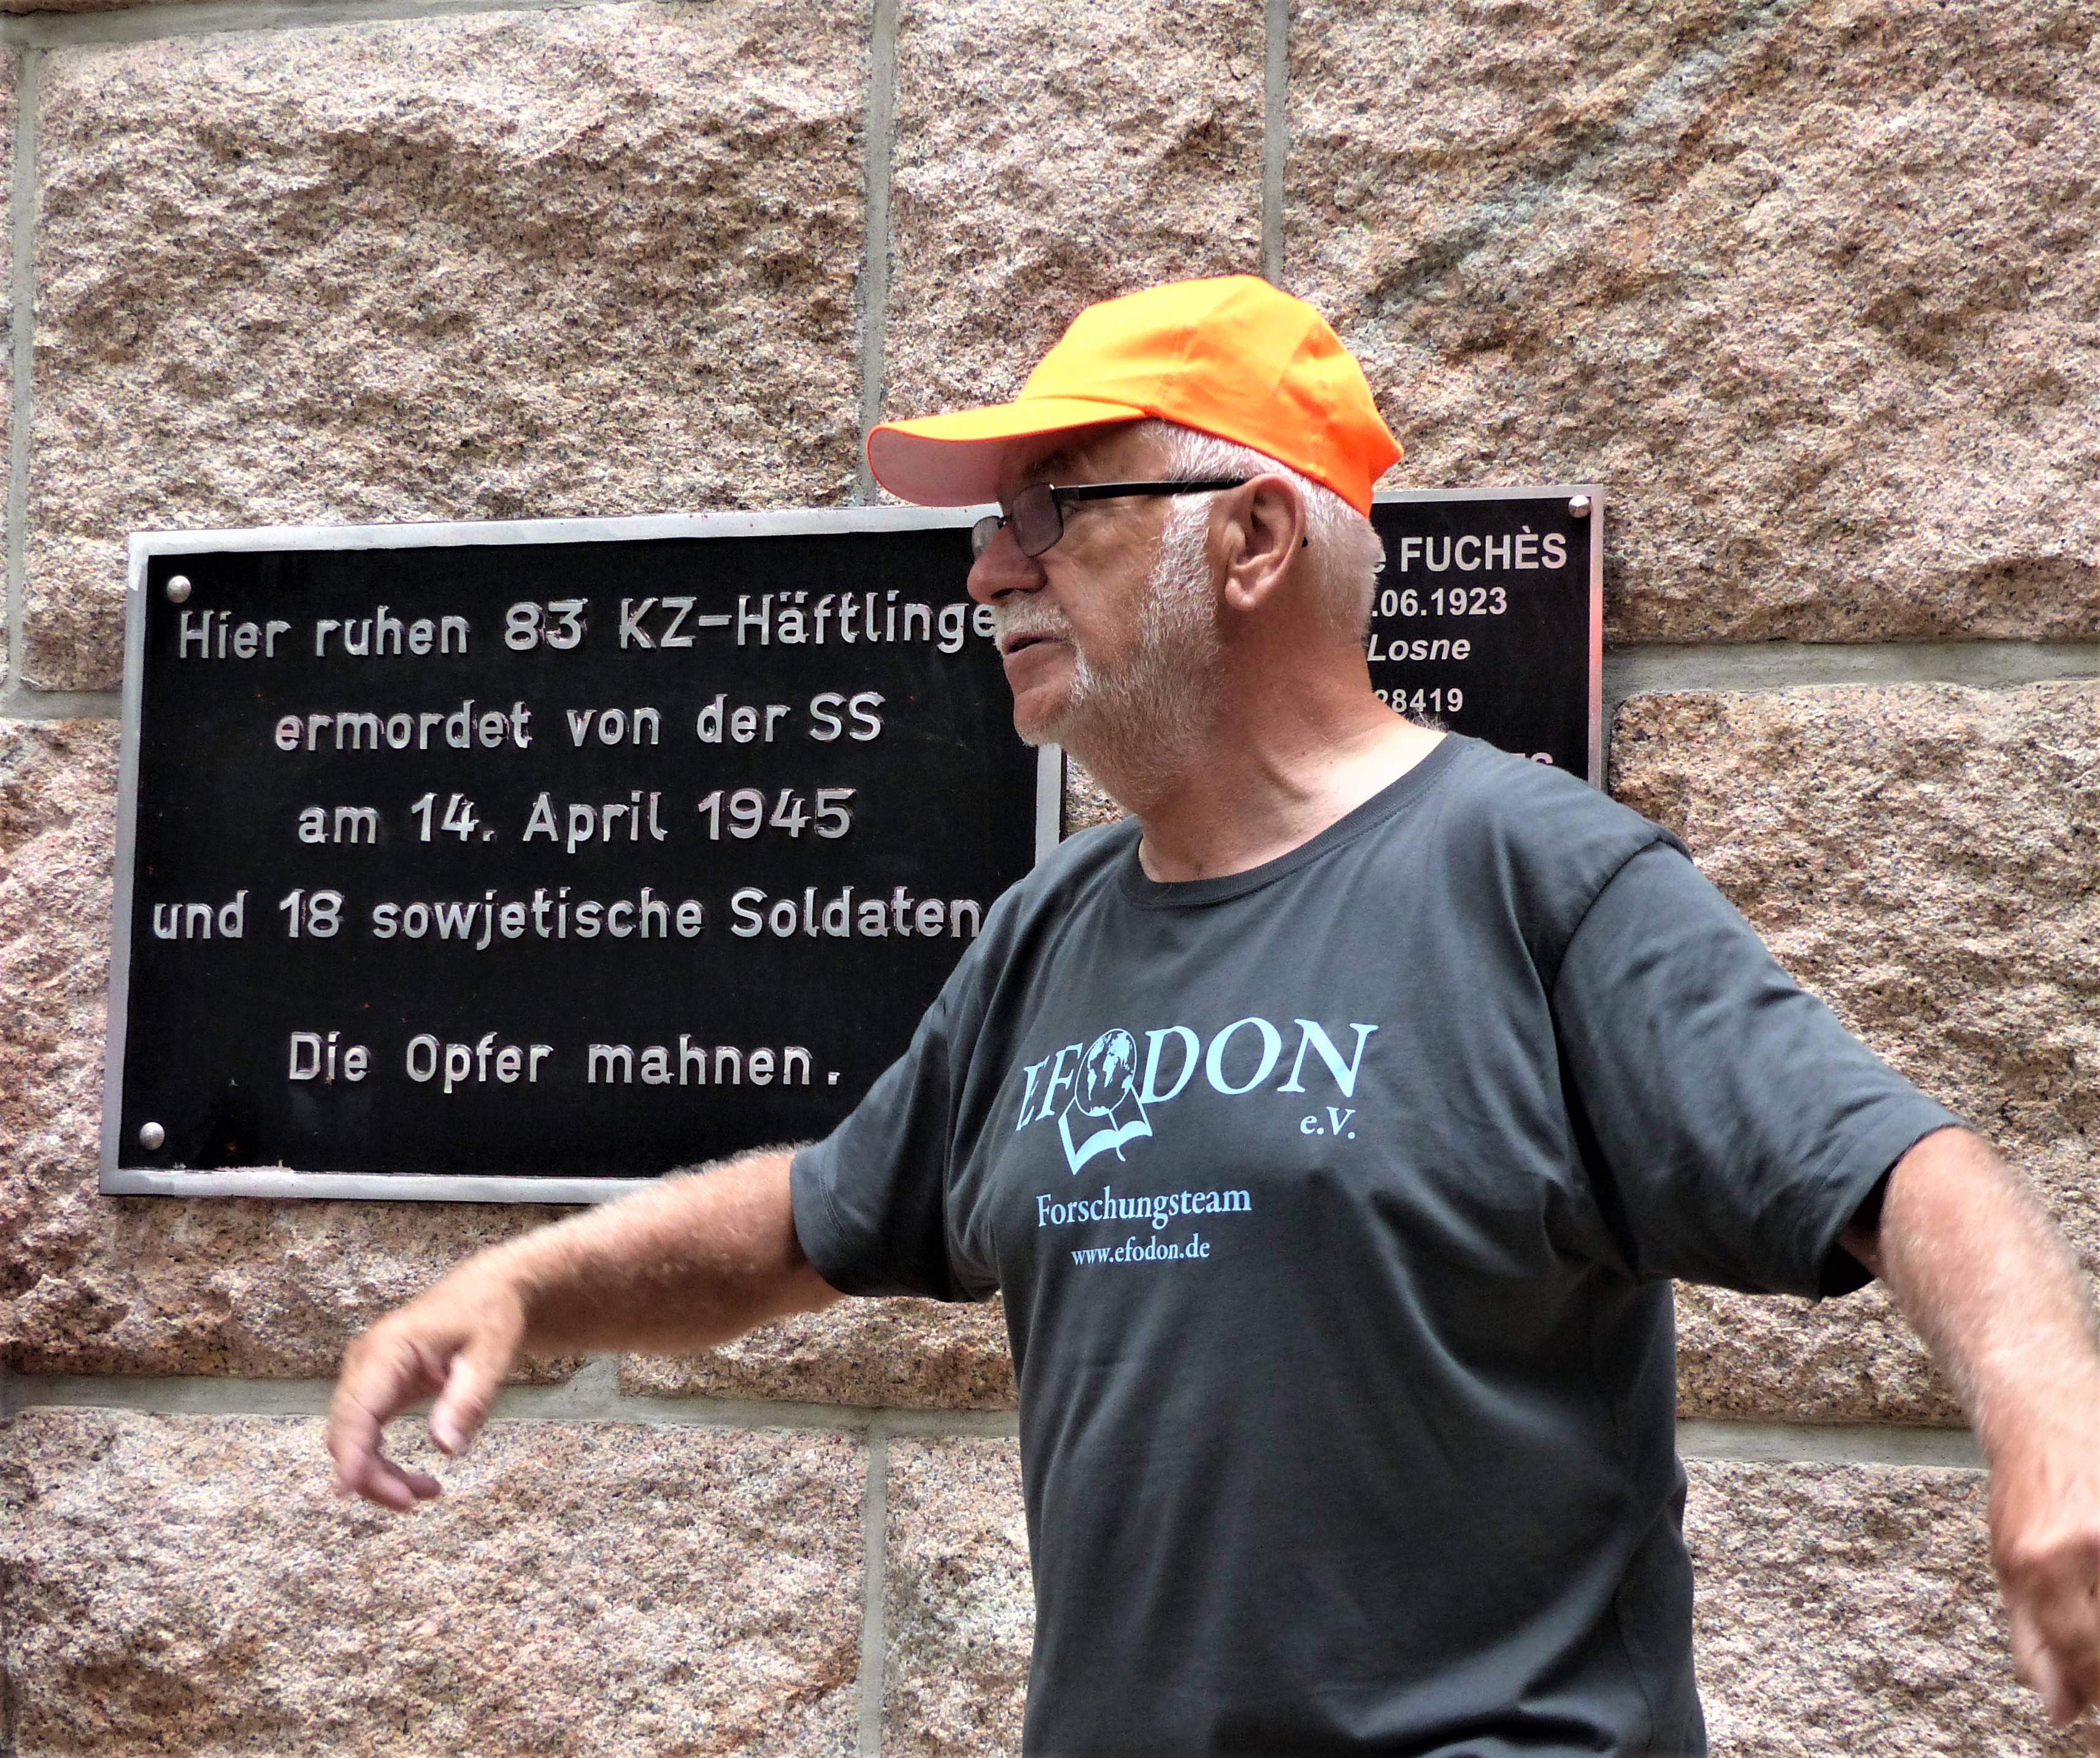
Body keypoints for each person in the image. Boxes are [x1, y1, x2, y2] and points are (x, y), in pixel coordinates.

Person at [329, 276, 2100, 1756]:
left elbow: (1903, 1170)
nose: (990, 571)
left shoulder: (1534, 875)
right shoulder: (1049, 933)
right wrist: (526, 1284)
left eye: (1054, 512)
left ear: (1249, 538)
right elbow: (812, 1217)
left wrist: (2050, 1427)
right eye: (991, 527)